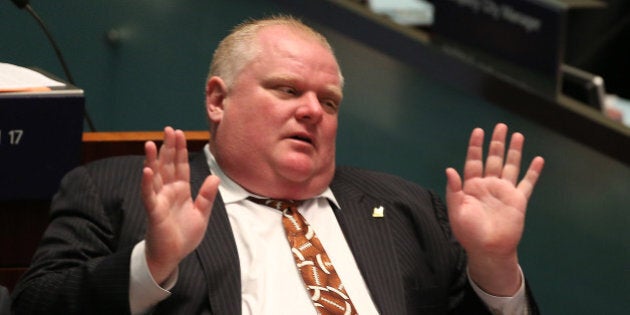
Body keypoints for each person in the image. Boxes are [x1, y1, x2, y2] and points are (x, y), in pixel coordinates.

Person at [11, 15, 544, 314]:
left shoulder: (408, 209)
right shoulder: (119, 189)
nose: (312, 110)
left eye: (329, 101)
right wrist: (152, 263)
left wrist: (495, 266)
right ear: (218, 100)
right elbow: (34, 308)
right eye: (287, 90)